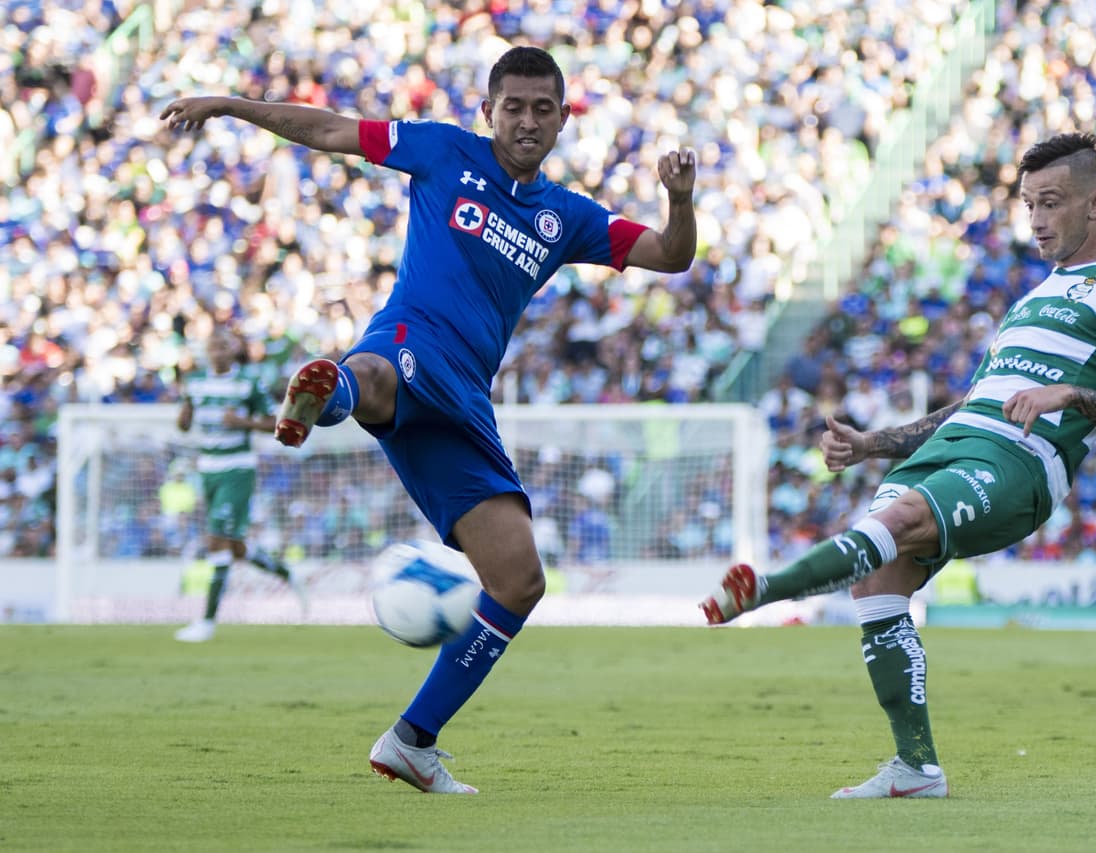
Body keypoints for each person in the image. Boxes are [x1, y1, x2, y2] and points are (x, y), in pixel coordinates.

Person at [161, 46, 696, 793]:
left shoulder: (567, 217)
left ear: (564, 118)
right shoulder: (443, 150)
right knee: (379, 373)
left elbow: (671, 255)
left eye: (544, 108)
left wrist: (680, 197)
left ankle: (412, 740)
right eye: (514, 106)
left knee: (517, 580)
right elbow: (328, 131)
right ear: (488, 111)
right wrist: (228, 102)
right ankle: (331, 392)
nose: (528, 120)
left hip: (467, 402)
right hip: (411, 343)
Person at [701, 132, 1096, 799]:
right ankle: (916, 768)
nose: (1036, 220)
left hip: (1020, 463)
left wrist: (1067, 394)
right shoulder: (1030, 300)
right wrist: (872, 443)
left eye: (1052, 203)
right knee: (877, 585)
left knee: (900, 518)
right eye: (1030, 203)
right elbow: (973, 403)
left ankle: (769, 589)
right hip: (951, 446)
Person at [174, 327, 305, 643]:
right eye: (213, 346)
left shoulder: (248, 382)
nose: (218, 351)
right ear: (207, 350)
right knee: (234, 547)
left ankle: (206, 622)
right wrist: (186, 407)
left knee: (216, 540)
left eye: (223, 345)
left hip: (237, 468)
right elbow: (183, 425)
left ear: (233, 349)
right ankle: (284, 573)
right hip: (207, 469)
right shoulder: (196, 382)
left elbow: (276, 423)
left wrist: (242, 422)